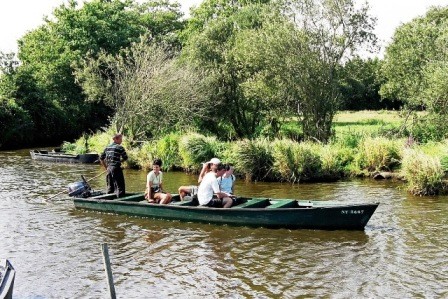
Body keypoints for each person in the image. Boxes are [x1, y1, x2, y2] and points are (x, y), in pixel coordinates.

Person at [99, 133, 128, 198]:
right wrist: (119, 162)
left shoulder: (107, 147)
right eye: (121, 139)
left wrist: (106, 167)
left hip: (109, 168)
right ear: (116, 139)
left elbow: (101, 158)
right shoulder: (120, 147)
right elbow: (125, 157)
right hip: (116, 168)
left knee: (110, 187)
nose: (121, 141)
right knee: (120, 187)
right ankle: (120, 201)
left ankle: (108, 199)